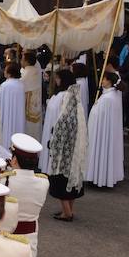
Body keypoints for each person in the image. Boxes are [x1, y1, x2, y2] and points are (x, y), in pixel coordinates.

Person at [4, 134, 49, 257]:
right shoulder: (43, 183)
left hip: (7, 244)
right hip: (29, 245)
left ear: (14, 159)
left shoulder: (6, 181)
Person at [44, 70, 88, 222]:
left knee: (60, 182)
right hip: (74, 153)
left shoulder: (64, 117)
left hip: (63, 154)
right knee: (71, 181)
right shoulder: (78, 108)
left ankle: (67, 213)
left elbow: (58, 135)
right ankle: (69, 209)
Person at [85, 72, 125, 187]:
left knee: (101, 150)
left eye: (104, 79)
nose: (101, 81)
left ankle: (99, 177)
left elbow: (99, 116)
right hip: (102, 132)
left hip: (102, 134)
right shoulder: (112, 95)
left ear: (110, 82)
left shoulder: (108, 98)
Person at [0, 63, 26, 148]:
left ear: (9, 73)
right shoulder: (21, 85)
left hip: (7, 115)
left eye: (5, 70)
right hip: (18, 116)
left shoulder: (5, 85)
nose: (4, 72)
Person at [20, 52, 43, 140]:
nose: (21, 61)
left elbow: (21, 86)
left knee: (28, 129)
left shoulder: (28, 73)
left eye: (22, 59)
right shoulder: (35, 70)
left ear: (26, 62)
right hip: (36, 104)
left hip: (28, 105)